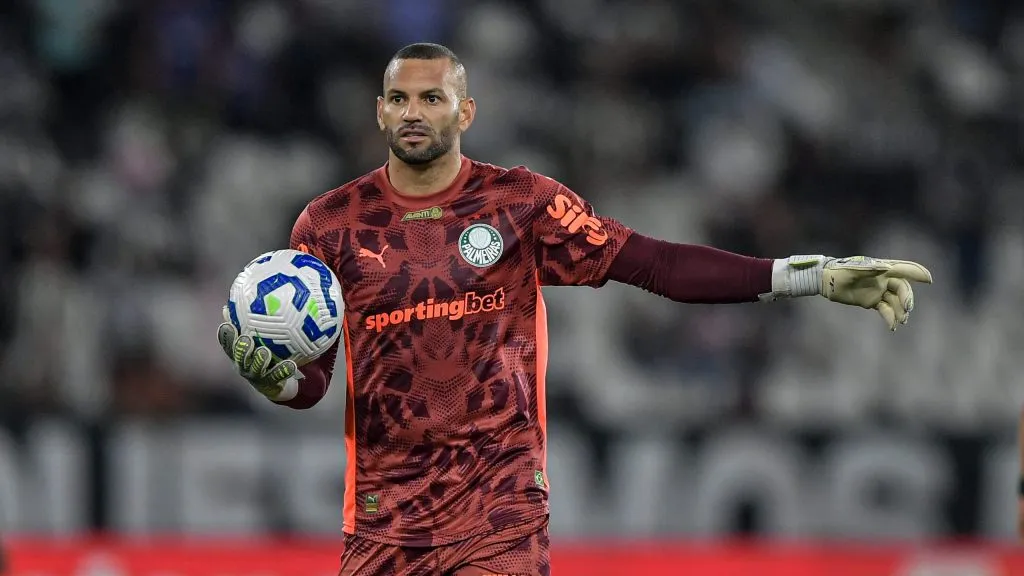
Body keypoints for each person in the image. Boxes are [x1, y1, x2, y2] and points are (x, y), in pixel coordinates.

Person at [217, 42, 933, 576]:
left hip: (497, 517)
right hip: (380, 525)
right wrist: (270, 377)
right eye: (400, 99)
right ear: (379, 111)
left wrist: (808, 276)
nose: (414, 112)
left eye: (432, 98)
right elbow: (315, 383)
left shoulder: (522, 204)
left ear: (465, 111)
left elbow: (656, 265)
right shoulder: (328, 224)